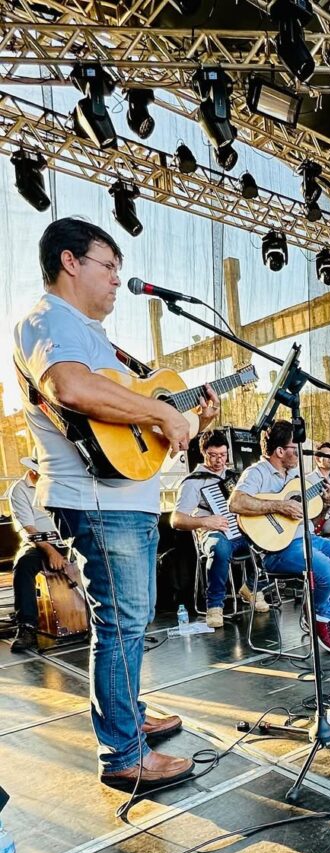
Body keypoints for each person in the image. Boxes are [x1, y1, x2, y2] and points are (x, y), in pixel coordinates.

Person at [13, 217, 220, 791]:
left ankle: (129, 716)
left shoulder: (90, 334)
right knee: (121, 626)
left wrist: (193, 418)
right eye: (108, 266)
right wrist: (161, 412)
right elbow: (71, 387)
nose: (115, 281)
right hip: (100, 501)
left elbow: (135, 422)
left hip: (124, 498)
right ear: (70, 262)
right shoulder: (48, 319)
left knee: (131, 623)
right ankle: (124, 754)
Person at [228, 420, 330, 654]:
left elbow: (315, 521)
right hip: (278, 549)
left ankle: (322, 615)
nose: (299, 453)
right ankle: (320, 616)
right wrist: (279, 505)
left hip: (309, 538)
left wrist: (326, 503)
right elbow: (235, 502)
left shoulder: (297, 475)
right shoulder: (257, 472)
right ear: (280, 451)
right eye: (295, 448)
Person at [172, 429, 267, 627]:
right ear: (203, 453)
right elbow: (176, 519)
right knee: (220, 547)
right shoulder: (193, 482)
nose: (219, 460)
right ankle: (214, 606)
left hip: (241, 531)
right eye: (213, 455)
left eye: (223, 455)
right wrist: (205, 522)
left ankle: (251, 588)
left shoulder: (235, 477)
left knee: (272, 541)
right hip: (212, 533)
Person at [8, 456, 66, 653]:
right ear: (34, 471)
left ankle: (106, 620)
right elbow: (29, 529)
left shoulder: (57, 483)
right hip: (39, 543)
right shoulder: (19, 490)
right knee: (23, 564)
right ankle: (27, 627)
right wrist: (50, 551)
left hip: (67, 540)